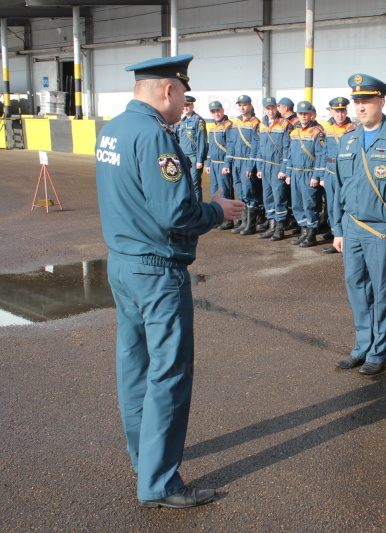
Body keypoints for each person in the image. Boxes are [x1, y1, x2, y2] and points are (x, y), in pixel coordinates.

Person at [95, 54, 245, 508]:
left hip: (122, 263)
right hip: (156, 270)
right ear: (168, 90)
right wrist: (218, 210)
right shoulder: (155, 136)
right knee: (169, 373)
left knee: (134, 365)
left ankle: (144, 456)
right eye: (183, 94)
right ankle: (160, 483)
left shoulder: (113, 129)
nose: (185, 105)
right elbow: (175, 211)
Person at [330, 73, 386, 376]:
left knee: (382, 292)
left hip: (382, 230)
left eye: (367, 100)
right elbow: (338, 188)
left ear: (381, 101)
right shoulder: (347, 139)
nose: (360, 106)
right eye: (357, 101)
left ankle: (378, 352)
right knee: (356, 287)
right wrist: (337, 229)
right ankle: (361, 346)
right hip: (352, 227)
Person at [278, 100, 327, 247]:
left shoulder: (317, 131)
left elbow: (321, 155)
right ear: (297, 114)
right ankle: (303, 232)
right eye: (301, 113)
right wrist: (288, 173)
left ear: (311, 114)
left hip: (309, 173)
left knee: (310, 204)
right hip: (296, 173)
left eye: (306, 113)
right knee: (298, 204)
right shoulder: (294, 131)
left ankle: (311, 235)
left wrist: (316, 176)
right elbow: (290, 154)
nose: (303, 116)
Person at [252, 96, 292, 240]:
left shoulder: (284, 124)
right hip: (266, 167)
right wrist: (260, 167)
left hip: (277, 167)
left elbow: (288, 149)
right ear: (264, 109)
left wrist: (284, 169)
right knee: (267, 197)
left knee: (279, 197)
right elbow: (259, 148)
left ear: (276, 108)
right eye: (268, 108)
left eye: (273, 108)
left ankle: (279, 229)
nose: (270, 111)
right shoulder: (261, 125)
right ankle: (271, 226)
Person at [321, 96, 356, 254]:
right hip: (329, 172)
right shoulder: (326, 128)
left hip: (346, 173)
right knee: (331, 205)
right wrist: (321, 175)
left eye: (342, 111)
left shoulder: (354, 128)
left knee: (345, 205)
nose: (340, 115)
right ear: (331, 112)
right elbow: (323, 152)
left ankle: (346, 237)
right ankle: (335, 234)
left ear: (346, 111)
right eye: (337, 111)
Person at [225, 94, 261, 235]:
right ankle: (244, 223)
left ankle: (250, 225)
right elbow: (231, 144)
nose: (242, 107)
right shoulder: (235, 123)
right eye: (240, 105)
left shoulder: (255, 123)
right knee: (240, 192)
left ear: (250, 105)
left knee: (249, 192)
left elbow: (255, 146)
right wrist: (228, 163)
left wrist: (251, 166)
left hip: (247, 162)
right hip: (236, 162)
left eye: (244, 105)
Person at [204, 100, 235, 229]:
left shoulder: (228, 125)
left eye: (218, 111)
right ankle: (219, 217)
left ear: (222, 110)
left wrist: (227, 164)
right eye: (213, 112)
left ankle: (229, 219)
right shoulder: (213, 126)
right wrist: (209, 163)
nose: (216, 114)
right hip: (214, 164)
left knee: (225, 191)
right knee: (215, 191)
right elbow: (211, 146)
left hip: (223, 163)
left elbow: (230, 146)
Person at [177, 95, 208, 201]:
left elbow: (201, 141)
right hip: (183, 157)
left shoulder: (198, 121)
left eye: (188, 105)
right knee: (185, 185)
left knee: (195, 185)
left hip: (194, 158)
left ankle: (198, 208)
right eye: (184, 105)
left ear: (192, 106)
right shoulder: (182, 121)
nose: (185, 107)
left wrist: (199, 160)